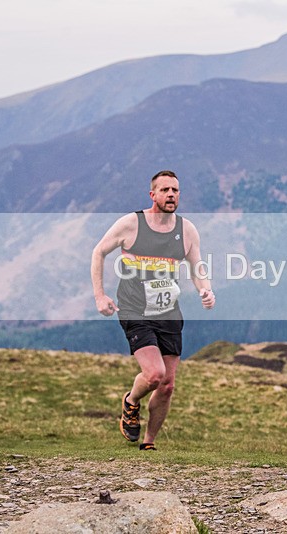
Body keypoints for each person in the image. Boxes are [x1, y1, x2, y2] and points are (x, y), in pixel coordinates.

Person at [91, 170, 215, 450]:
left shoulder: (186, 230)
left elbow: (197, 266)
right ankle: (131, 401)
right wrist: (100, 296)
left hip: (169, 313)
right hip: (135, 310)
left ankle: (148, 443)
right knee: (155, 375)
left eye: (175, 190)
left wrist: (205, 289)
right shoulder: (131, 224)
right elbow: (99, 252)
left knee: (167, 385)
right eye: (165, 190)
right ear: (153, 195)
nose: (171, 195)